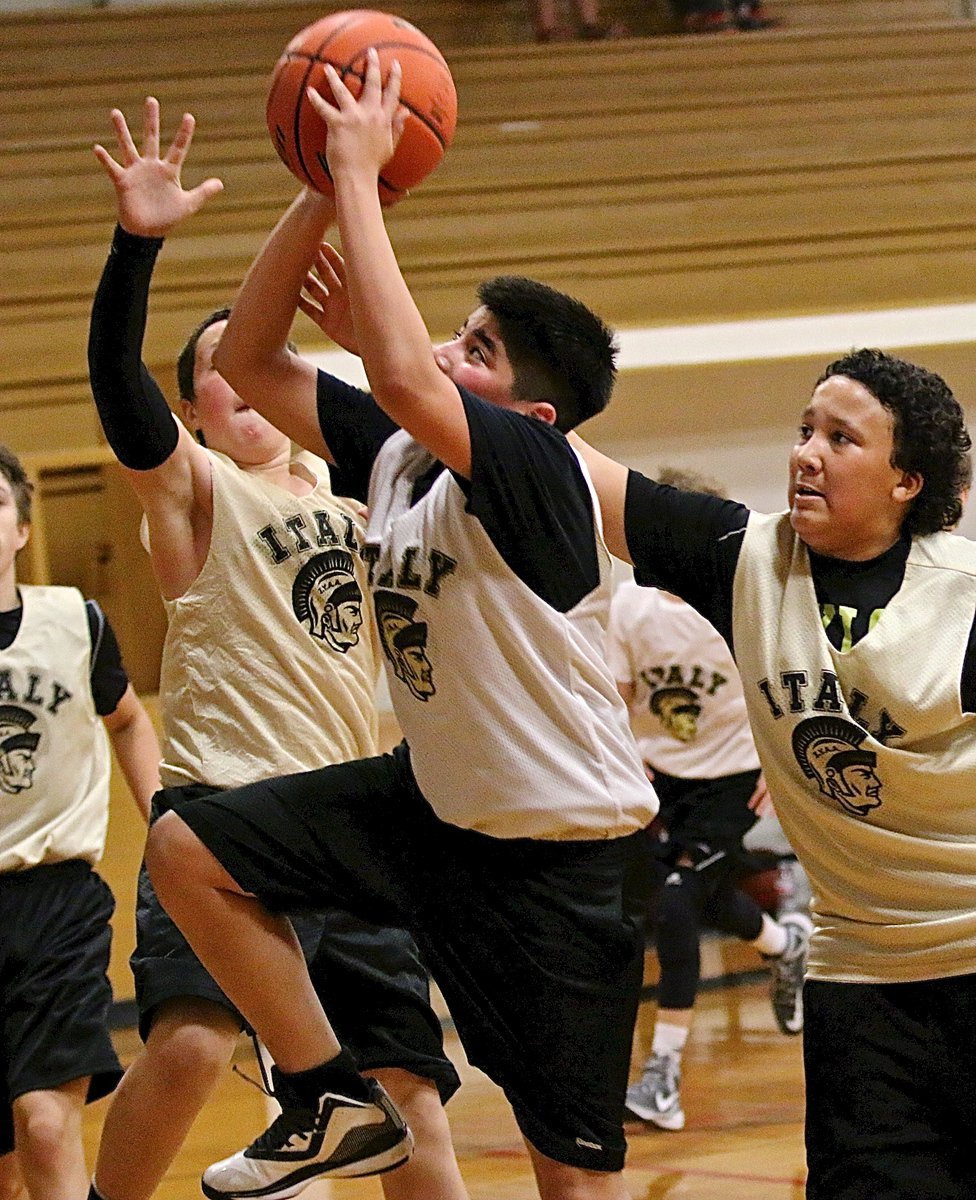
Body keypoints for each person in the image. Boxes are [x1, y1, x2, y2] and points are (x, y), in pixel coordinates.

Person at [144, 52, 657, 1200]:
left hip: (559, 863)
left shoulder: (534, 467)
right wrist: (321, 188)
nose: (441, 351)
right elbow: (247, 355)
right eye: (455, 329)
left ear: (531, 412)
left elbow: (393, 365)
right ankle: (326, 1094)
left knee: (570, 1177)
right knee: (190, 848)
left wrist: (367, 179)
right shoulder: (396, 460)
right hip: (431, 810)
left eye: (475, 348)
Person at [86, 97, 467, 1200]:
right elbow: (117, 390)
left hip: (350, 820)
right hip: (226, 822)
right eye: (219, 368)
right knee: (196, 1046)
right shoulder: (194, 489)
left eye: (263, 358)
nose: (246, 378)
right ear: (201, 404)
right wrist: (136, 247)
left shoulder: (365, 497)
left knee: (410, 1111)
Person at [574, 348, 976, 1198]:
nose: (807, 452)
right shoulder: (745, 558)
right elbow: (546, 460)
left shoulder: (962, 597)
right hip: (860, 981)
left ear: (907, 480)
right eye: (804, 431)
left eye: (841, 438)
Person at [605, 465, 812, 1133]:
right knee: (684, 890)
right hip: (663, 779)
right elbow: (620, 697)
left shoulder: (743, 602)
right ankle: (785, 944)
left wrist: (783, 763)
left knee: (675, 902)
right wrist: (628, 769)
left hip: (735, 778)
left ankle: (662, 1076)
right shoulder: (631, 606)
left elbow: (788, 683)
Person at [0, 444, 160, 1200]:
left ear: (22, 528)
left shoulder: (74, 620)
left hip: (56, 898)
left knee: (43, 1121)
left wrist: (165, 824)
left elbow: (127, 721)